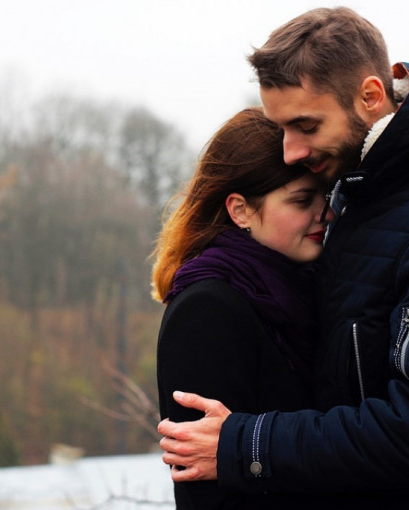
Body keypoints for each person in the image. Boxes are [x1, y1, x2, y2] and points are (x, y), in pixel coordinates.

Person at [157, 7, 409, 510]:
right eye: (281, 128)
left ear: (370, 96)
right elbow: (356, 398)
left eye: (305, 125)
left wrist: (245, 446)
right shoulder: (357, 198)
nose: (290, 151)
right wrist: (400, 466)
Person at [151, 107, 331, 508]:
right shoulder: (207, 310)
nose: (326, 213)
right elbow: (206, 490)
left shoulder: (310, 291)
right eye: (303, 200)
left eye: (327, 196)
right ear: (240, 210)